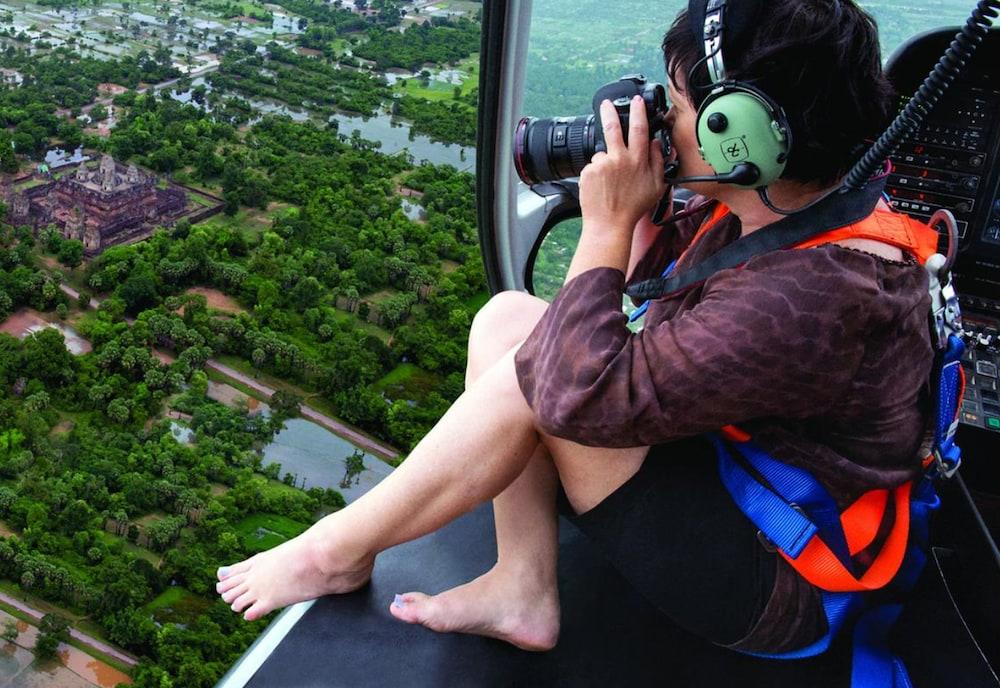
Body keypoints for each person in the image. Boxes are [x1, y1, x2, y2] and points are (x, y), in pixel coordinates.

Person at [216, 0, 933, 656]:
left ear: (739, 133)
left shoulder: (811, 296)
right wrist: (651, 212)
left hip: (781, 575)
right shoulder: (795, 203)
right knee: (508, 320)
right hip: (747, 475)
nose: (659, 117)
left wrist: (608, 222)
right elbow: (664, 312)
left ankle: (334, 552)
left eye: (678, 104)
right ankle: (520, 586)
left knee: (540, 367)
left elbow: (574, 395)